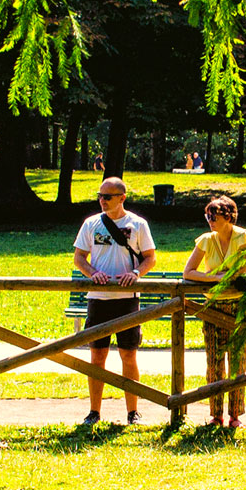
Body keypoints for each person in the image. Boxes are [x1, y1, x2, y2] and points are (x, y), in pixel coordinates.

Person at [71, 177, 155, 425]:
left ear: (122, 198)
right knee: (97, 356)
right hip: (98, 299)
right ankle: (94, 412)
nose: (102, 201)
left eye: (107, 197)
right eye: (100, 196)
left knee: (129, 355)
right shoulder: (91, 224)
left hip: (127, 300)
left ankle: (133, 412)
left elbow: (150, 258)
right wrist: (92, 273)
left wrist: (136, 273)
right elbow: (79, 257)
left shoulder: (138, 224)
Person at [182, 195, 246, 430]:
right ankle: (216, 415)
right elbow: (188, 272)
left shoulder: (243, 237)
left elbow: (240, 272)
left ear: (229, 216)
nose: (210, 220)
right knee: (214, 362)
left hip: (238, 306)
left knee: (238, 362)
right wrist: (214, 278)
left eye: (214, 216)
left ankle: (235, 415)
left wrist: (222, 278)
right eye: (208, 216)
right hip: (213, 306)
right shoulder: (206, 240)